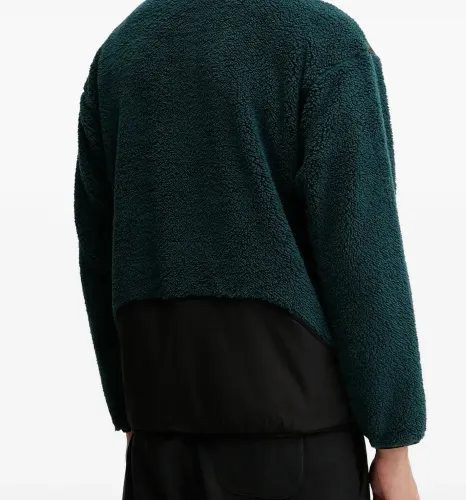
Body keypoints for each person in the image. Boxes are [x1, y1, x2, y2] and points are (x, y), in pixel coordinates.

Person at [73, 0, 426, 498]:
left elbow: (99, 248)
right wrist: (394, 445)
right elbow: (362, 249)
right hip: (297, 440)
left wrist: (130, 409)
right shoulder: (323, 41)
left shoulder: (121, 52)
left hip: (160, 429)